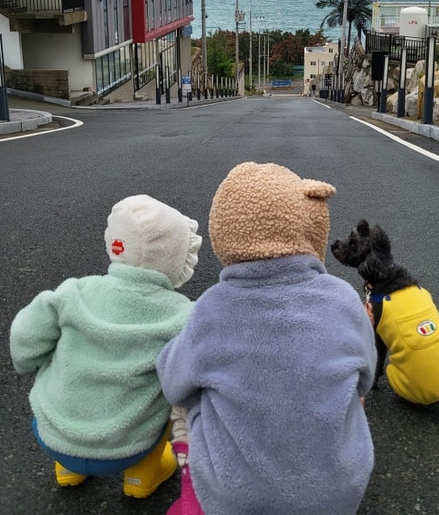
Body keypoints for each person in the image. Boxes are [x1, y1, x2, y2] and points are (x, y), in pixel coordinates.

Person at [157, 162, 377, 515]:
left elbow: (173, 385)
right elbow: (365, 379)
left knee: (188, 391)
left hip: (236, 500)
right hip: (340, 494)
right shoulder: (343, 299)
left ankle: (193, 481)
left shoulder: (211, 308)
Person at [10, 194, 202, 499]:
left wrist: (30, 362)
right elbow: (189, 377)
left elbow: (25, 336)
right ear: (176, 256)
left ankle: (69, 468)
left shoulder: (75, 292)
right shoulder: (183, 314)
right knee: (170, 395)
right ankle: (143, 476)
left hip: (53, 434)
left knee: (61, 367)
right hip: (130, 447)